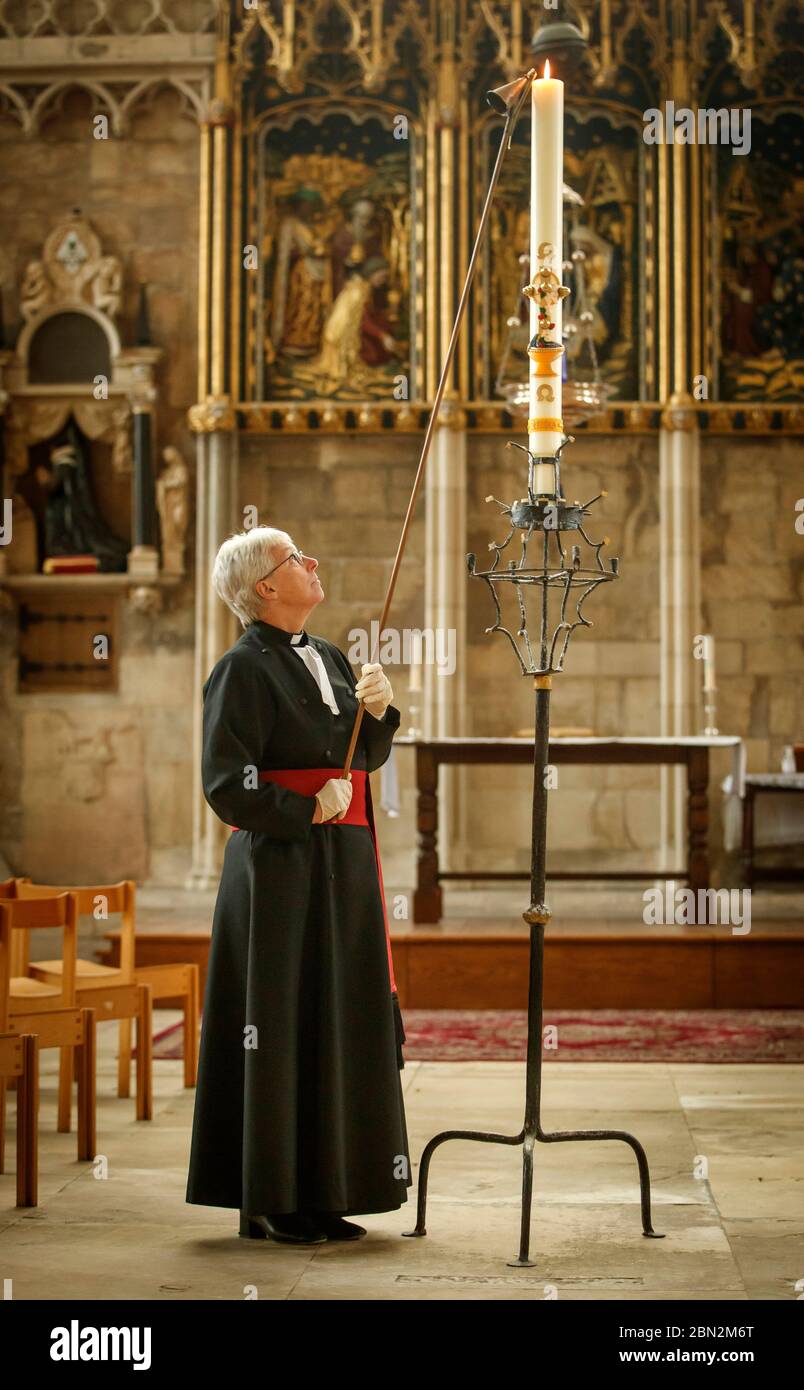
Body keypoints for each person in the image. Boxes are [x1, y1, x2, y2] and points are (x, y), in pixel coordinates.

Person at [185, 526, 411, 1245]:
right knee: (277, 1026)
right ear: (265, 588)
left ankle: (324, 1189)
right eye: (295, 560)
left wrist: (378, 711)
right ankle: (271, 1199)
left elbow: (359, 757)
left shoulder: (332, 656)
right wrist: (305, 807)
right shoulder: (239, 669)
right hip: (279, 871)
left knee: (332, 1021)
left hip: (340, 866)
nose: (313, 564)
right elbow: (227, 784)